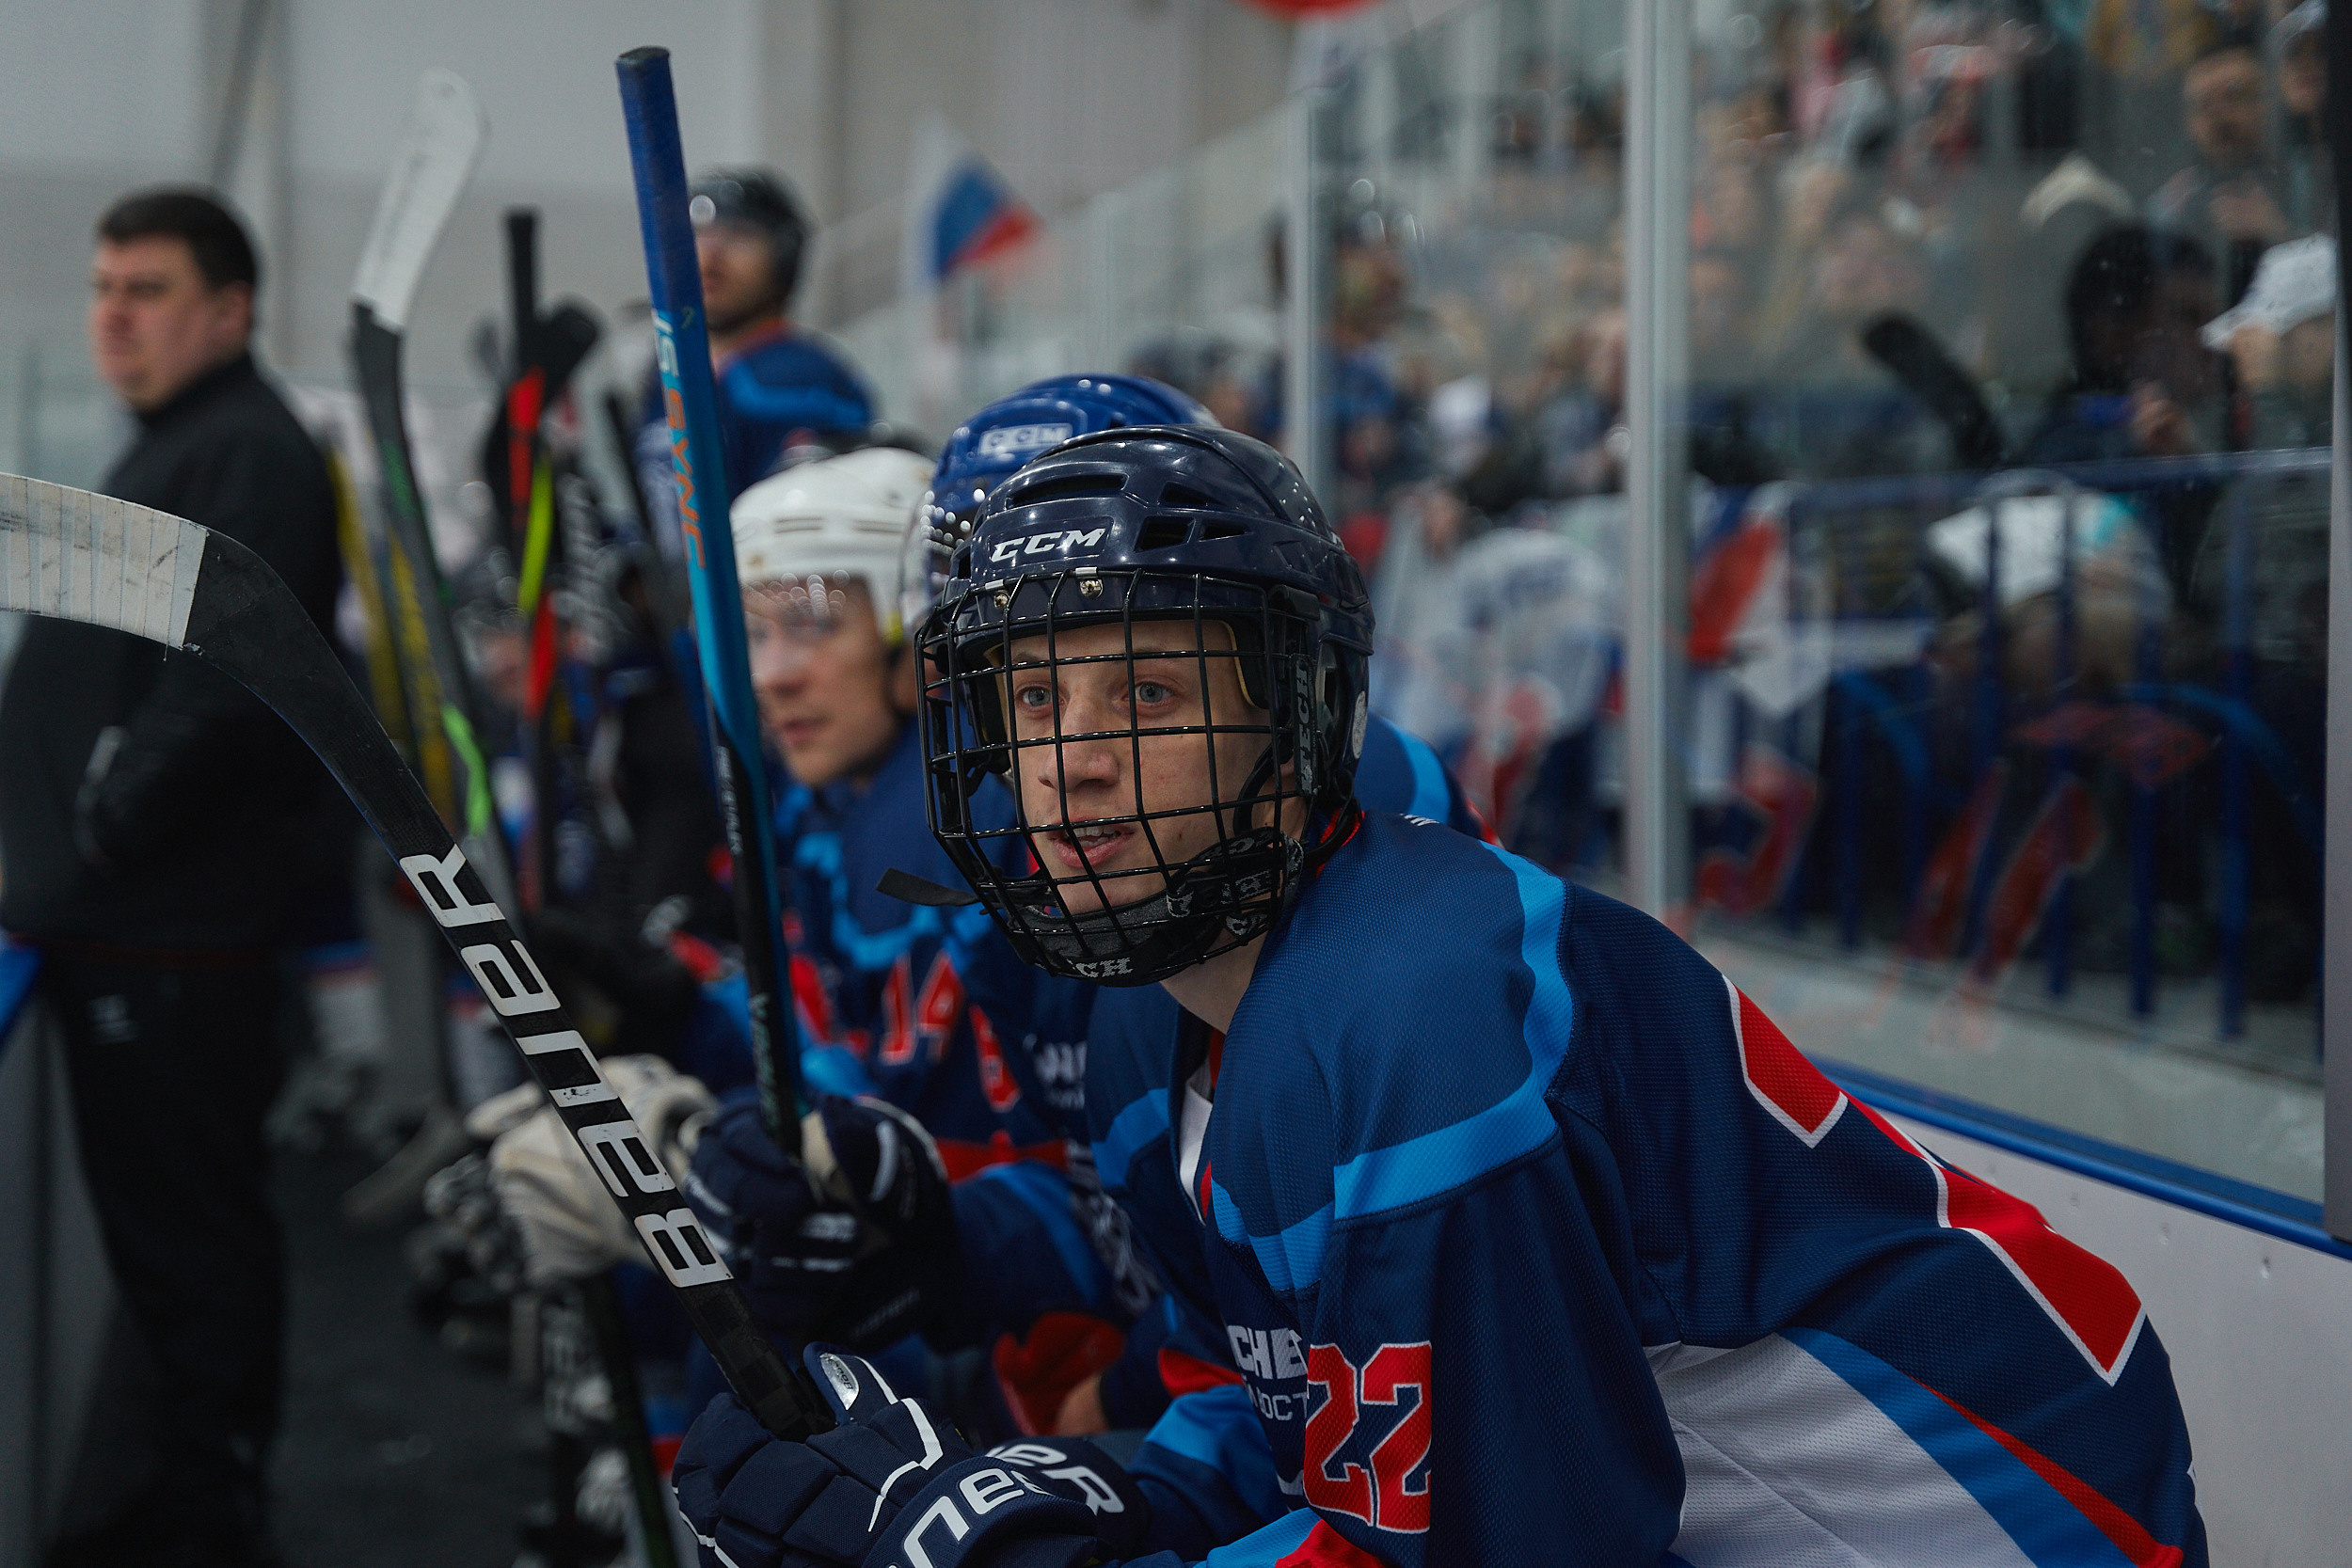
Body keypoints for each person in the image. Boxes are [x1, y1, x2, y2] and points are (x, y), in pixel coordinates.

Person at [669, 425, 2206, 1567]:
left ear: (1298, 723)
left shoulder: (1413, 1022)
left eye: (1144, 693)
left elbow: (1515, 1554)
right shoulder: (1155, 1005)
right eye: (1028, 700)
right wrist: (1040, 1491)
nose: (1068, 758)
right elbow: (1268, 1431)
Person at [0, 189, 342, 1567]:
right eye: (102, 286)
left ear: (230, 307)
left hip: (171, 936)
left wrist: (100, 827)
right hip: (131, 922)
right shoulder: (184, 441)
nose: (113, 314)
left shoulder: (246, 446)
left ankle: (207, 1518)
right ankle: (185, 1491)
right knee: (171, 1243)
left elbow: (219, 689)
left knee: (191, 1245)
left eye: (146, 287)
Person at [634, 168, 874, 561]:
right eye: (697, 234)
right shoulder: (658, 378)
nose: (710, 255)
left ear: (783, 258)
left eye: (740, 235)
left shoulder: (807, 377)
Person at [2150, 37, 2294, 304]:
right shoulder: (2171, 208)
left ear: (2268, 103)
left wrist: (2279, 235)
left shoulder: (2303, 181)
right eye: (2204, 105)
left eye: (2234, 96)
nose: (2219, 116)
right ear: (2189, 123)